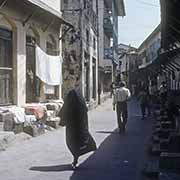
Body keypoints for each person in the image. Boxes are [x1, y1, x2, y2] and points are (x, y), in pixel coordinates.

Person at [58, 78, 96, 170]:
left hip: (72, 129)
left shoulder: (71, 100)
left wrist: (62, 119)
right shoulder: (80, 101)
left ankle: (75, 159)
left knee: (72, 143)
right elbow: (85, 110)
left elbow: (64, 110)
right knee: (81, 142)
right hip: (81, 128)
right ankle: (76, 159)